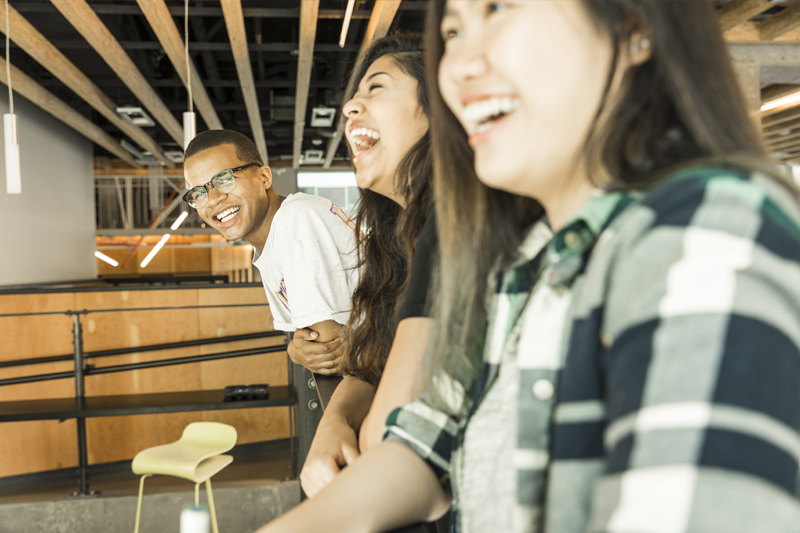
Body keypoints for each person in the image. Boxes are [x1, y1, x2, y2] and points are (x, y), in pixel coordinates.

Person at [255, 1, 800, 532]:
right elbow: (418, 451)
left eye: (499, 11)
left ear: (632, 29)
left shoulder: (704, 229)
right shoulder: (524, 262)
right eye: (452, 34)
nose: (460, 65)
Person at [293, 36, 442, 507]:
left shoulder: (450, 225)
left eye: (376, 88)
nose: (349, 108)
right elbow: (374, 356)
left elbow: (385, 431)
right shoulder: (397, 241)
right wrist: (335, 421)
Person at [183, 130, 358, 374]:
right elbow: (304, 340)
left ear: (264, 177)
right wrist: (294, 351)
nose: (212, 200)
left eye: (223, 179)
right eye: (199, 193)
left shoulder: (295, 221)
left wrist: (299, 352)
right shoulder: (270, 241)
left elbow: (329, 355)